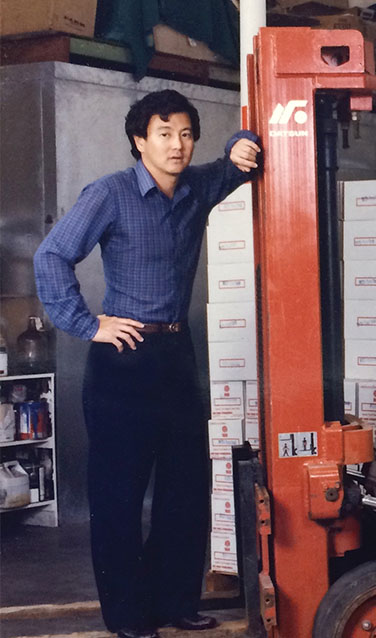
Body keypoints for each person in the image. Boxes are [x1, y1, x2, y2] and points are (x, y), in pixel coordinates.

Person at [33, 89, 261, 638]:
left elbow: (233, 160)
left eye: (185, 133)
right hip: (122, 360)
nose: (176, 145)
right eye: (164, 134)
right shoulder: (109, 194)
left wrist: (244, 142)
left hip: (177, 357)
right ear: (140, 141)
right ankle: (130, 618)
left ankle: (174, 604)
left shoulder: (196, 187)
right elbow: (51, 255)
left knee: (186, 487)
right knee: (119, 495)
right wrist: (91, 325)